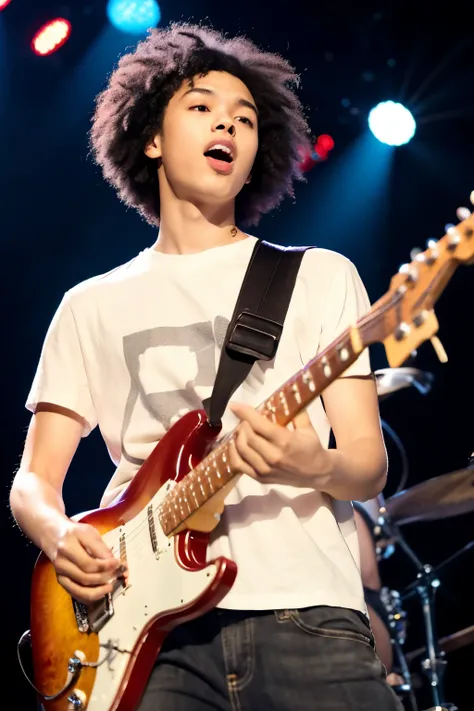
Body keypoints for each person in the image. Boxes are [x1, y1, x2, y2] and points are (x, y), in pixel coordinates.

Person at [10, 22, 404, 711]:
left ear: (257, 154)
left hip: (305, 613)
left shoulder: (318, 275)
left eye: (245, 118)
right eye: (202, 107)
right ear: (152, 139)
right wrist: (60, 532)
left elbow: (367, 464)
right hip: (145, 639)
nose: (227, 123)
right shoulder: (89, 305)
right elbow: (33, 481)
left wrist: (308, 463)